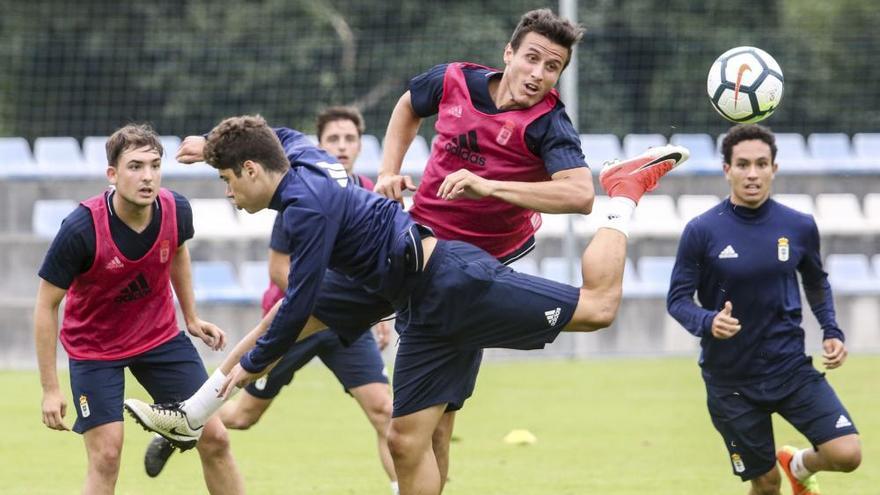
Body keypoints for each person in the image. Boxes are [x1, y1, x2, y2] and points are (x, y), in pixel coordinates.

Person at [123, 114, 689, 495]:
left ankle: (621, 195)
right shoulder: (294, 154)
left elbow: (298, 307)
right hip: (406, 295)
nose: (226, 190)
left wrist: (249, 365)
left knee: (598, 307)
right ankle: (192, 414)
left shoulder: (305, 210)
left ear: (251, 171)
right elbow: (275, 132)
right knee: (408, 438)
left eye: (226, 178)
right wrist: (208, 140)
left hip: (451, 283)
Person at [374, 8, 591, 487]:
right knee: (430, 422)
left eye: (551, 67)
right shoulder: (453, 80)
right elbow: (408, 105)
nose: (538, 74)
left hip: (474, 271)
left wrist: (491, 187)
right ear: (508, 54)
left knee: (428, 425)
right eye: (531, 58)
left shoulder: (548, 122)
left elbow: (580, 193)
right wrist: (389, 170)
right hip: (418, 246)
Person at [144, 107, 399, 494]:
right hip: (295, 319)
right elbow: (281, 270)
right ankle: (195, 420)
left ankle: (403, 486)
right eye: (333, 139)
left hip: (338, 314)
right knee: (244, 416)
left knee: (384, 411)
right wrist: (318, 297)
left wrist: (367, 304)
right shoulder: (294, 195)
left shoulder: (356, 187)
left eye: (349, 139)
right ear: (319, 144)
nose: (342, 147)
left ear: (361, 144)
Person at [33, 124, 245, 495]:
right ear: (112, 175)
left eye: (154, 165)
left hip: (159, 338)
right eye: (134, 167)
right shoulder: (81, 228)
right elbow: (46, 304)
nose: (147, 176)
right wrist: (50, 389)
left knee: (215, 439)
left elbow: (178, 250)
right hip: (94, 350)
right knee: (107, 456)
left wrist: (191, 317)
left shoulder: (176, 209)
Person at [666, 124, 861, 495]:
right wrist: (708, 322)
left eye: (761, 164)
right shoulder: (702, 230)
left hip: (789, 368)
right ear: (727, 170)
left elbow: (816, 282)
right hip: (731, 381)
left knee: (847, 453)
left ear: (774, 168)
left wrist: (832, 331)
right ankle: (780, 471)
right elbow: (677, 300)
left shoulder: (799, 226)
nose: (752, 174)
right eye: (742, 165)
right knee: (767, 485)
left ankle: (798, 465)